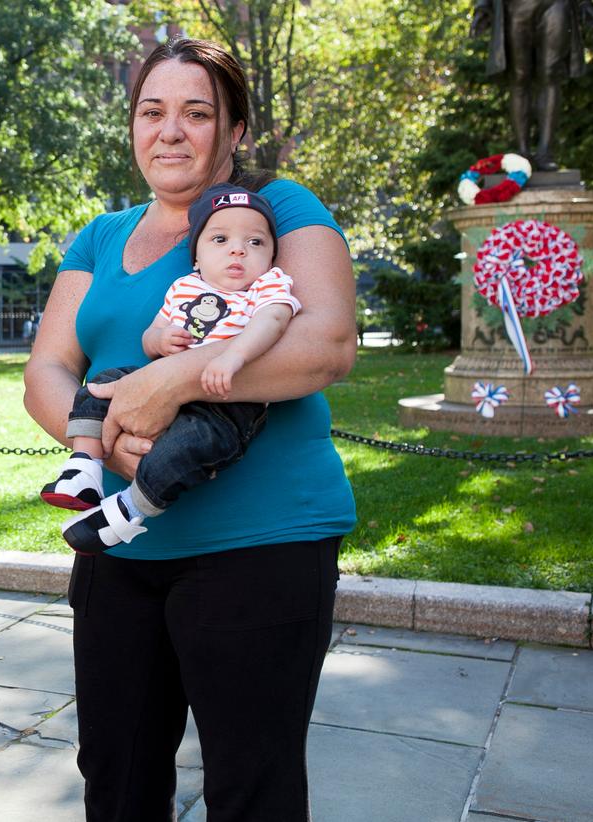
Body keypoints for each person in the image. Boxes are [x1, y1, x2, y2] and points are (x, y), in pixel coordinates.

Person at [23, 39, 356, 821]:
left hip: (260, 545)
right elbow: (47, 370)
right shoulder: (101, 234)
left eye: (196, 113)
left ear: (234, 130)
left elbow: (327, 344)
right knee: (116, 783)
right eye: (152, 112)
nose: (170, 131)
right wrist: (107, 440)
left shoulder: (277, 209)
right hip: (118, 547)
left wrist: (169, 382)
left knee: (252, 790)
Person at [41, 184, 299, 554]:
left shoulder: (266, 285)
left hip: (225, 406)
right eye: (220, 239)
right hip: (156, 387)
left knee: (182, 450)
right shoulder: (184, 287)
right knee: (100, 385)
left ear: (272, 256)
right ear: (197, 256)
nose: (238, 249)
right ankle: (84, 466)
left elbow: (272, 321)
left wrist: (233, 357)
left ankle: (126, 512)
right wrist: (160, 340)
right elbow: (152, 334)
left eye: (256, 242)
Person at [470, 0, 593, 171]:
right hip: (515, 7)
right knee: (519, 77)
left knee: (550, 74)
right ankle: (523, 151)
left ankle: (545, 152)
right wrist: (483, 5)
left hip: (555, 4)